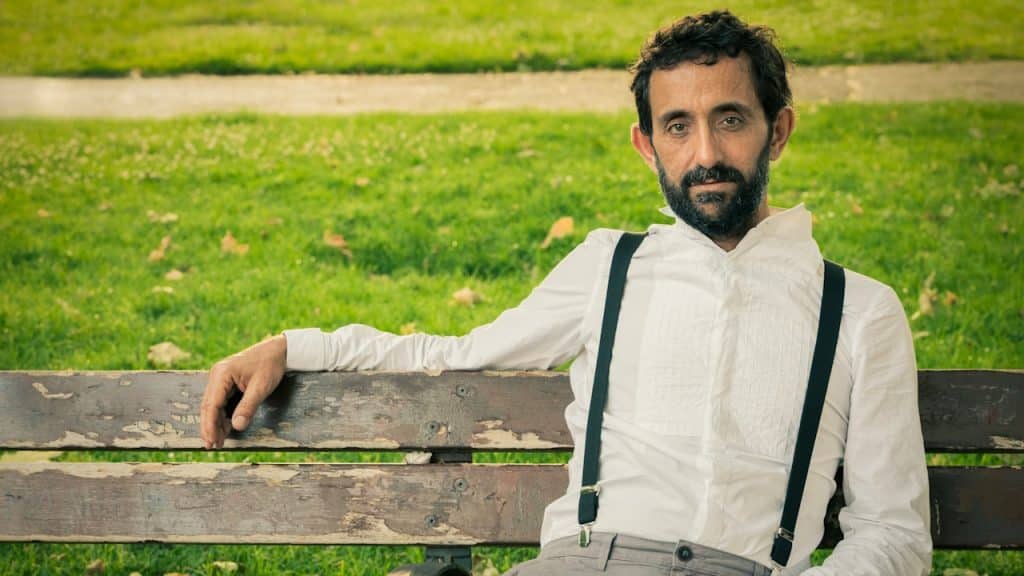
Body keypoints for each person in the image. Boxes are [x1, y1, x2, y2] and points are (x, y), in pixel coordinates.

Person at [201, 10, 932, 575]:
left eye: (730, 120)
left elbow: (894, 532)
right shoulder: (608, 266)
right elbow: (453, 353)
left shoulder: (860, 313)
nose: (705, 154)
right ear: (648, 146)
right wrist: (295, 345)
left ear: (778, 133)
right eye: (678, 127)